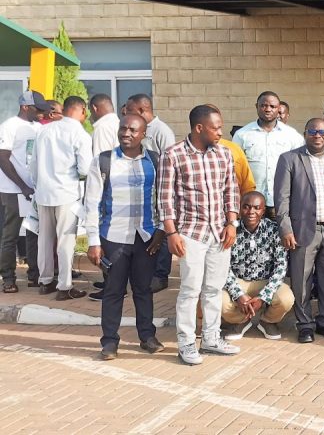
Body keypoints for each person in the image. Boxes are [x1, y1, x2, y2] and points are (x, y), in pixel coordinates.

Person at [158, 105, 241, 365]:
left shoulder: (224, 153)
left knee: (214, 289)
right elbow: (165, 198)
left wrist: (232, 223)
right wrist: (171, 233)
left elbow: (231, 190)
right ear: (199, 128)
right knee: (190, 290)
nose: (220, 132)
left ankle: (211, 339)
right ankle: (186, 343)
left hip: (220, 233)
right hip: (190, 233)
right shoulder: (173, 155)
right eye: (216, 128)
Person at [83, 113, 164, 360]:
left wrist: (161, 231)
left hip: (146, 237)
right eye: (123, 128)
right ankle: (109, 342)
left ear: (143, 134)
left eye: (132, 130)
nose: (126, 133)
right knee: (113, 291)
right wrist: (94, 242)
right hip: (114, 237)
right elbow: (91, 203)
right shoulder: (104, 161)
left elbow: (164, 198)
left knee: (143, 289)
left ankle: (147, 337)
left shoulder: (155, 160)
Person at [275, 117, 324, 343]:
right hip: (302, 230)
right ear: (305, 134)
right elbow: (282, 198)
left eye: (322, 132)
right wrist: (286, 228)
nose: (318, 136)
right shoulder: (289, 159)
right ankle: (305, 325)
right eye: (313, 131)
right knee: (302, 279)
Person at [32, 95, 93, 300]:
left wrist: (39, 184)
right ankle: (64, 287)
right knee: (65, 241)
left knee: (44, 238)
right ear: (81, 110)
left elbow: (34, 165)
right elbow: (85, 169)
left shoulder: (44, 130)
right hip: (66, 194)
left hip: (43, 192)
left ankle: (45, 281)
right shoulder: (80, 134)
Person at [221, 191, 293, 341]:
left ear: (263, 210)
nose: (251, 212)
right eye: (246, 207)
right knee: (219, 301)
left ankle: (268, 321)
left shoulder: (274, 230)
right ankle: (241, 320)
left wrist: (262, 297)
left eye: (256, 208)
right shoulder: (231, 232)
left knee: (286, 298)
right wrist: (238, 294)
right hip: (238, 281)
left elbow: (280, 267)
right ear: (240, 209)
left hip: (265, 281)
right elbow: (223, 267)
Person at [0, 91, 48, 293]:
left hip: (35, 190)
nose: (41, 113)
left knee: (34, 233)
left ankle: (34, 275)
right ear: (25, 107)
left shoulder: (38, 127)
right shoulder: (9, 126)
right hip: (13, 190)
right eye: (37, 109)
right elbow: (3, 158)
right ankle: (8, 278)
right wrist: (22, 186)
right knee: (10, 236)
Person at [233, 91, 303, 218]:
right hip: (252, 204)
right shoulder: (242, 135)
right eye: (263, 105)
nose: (268, 109)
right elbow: (235, 170)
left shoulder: (292, 135)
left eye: (272, 106)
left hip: (282, 202)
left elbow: (299, 169)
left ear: (278, 108)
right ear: (257, 106)